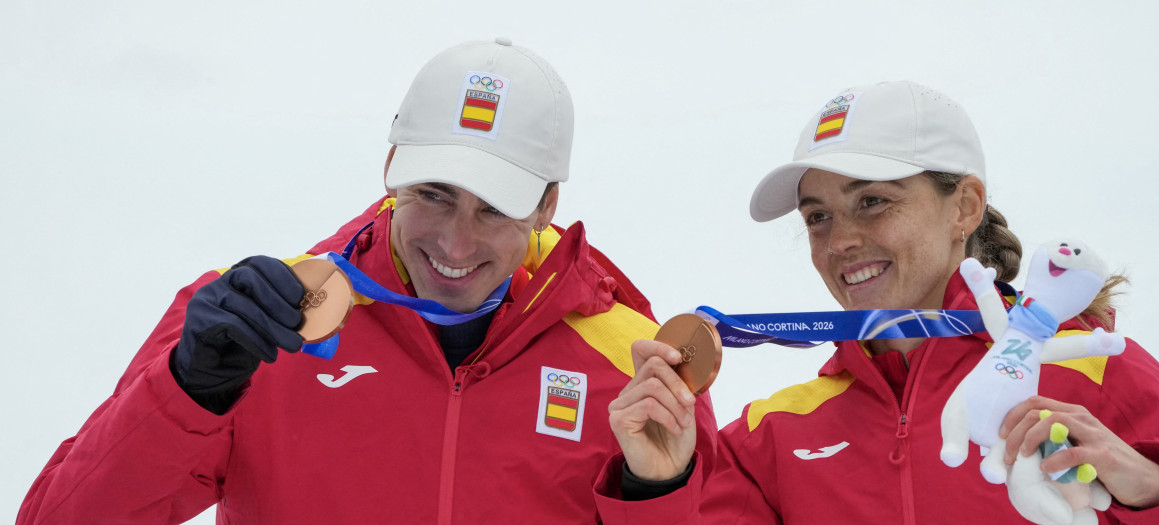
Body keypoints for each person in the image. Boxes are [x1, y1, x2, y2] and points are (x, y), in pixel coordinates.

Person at [18, 38, 718, 524]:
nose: (454, 241)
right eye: (434, 193)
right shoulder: (255, 318)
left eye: (494, 209)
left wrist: (653, 491)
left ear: (546, 206)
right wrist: (185, 391)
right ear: (391, 167)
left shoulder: (632, 364)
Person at [595, 80, 1159, 523]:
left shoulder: (1093, 366)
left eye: (873, 201)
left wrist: (1158, 491)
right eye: (818, 217)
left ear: (963, 207)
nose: (841, 241)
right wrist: (658, 485)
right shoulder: (772, 435)